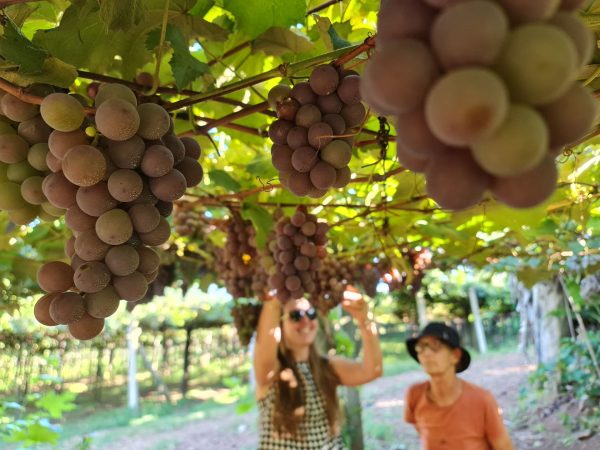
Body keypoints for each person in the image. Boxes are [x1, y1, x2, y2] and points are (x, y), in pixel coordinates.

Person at [253, 287, 383, 449]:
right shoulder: (273, 372)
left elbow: (373, 370)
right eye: (296, 316)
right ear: (279, 324)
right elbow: (265, 365)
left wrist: (364, 320)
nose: (306, 321)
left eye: (311, 314)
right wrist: (273, 301)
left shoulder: (326, 366)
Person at [404, 322, 515, 450]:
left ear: (455, 355)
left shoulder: (481, 400)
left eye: (435, 346)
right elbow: (421, 431)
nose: (426, 353)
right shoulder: (414, 394)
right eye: (421, 347)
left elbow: (503, 446)